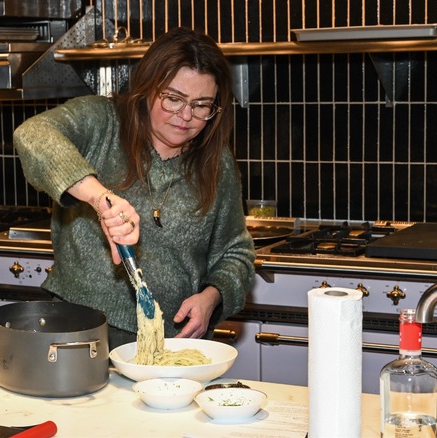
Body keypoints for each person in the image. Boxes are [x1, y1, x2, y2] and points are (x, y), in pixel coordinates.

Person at [13, 27, 256, 351]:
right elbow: (33, 134)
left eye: (202, 105)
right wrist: (101, 197)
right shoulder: (102, 121)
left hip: (170, 345)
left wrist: (212, 297)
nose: (186, 116)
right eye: (173, 98)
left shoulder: (216, 164)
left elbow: (235, 252)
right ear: (148, 87)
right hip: (77, 332)